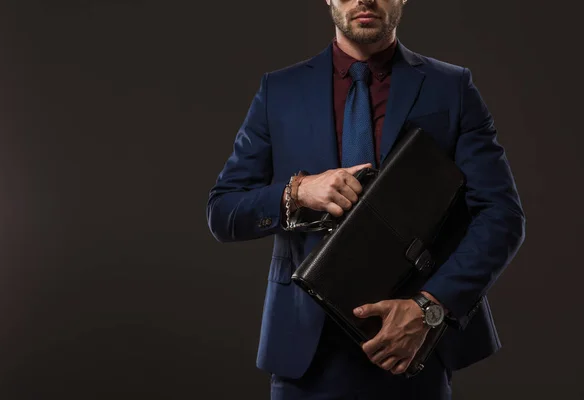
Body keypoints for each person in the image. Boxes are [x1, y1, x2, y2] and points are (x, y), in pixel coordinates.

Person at [206, 0, 526, 398]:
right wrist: (298, 191)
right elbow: (223, 212)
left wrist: (429, 308)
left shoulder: (451, 87)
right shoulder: (279, 91)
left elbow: (502, 215)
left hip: (412, 343)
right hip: (307, 352)